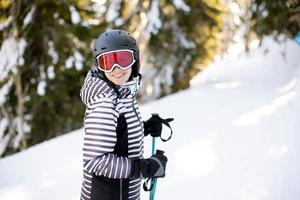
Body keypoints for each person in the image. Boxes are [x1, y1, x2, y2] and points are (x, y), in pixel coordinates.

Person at [79, 29, 168, 200]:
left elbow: (116, 136)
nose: (116, 69)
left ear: (134, 60)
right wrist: (144, 167)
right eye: (107, 62)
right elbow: (95, 161)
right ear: (100, 66)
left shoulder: (121, 94)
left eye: (123, 59)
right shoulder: (105, 103)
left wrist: (144, 128)